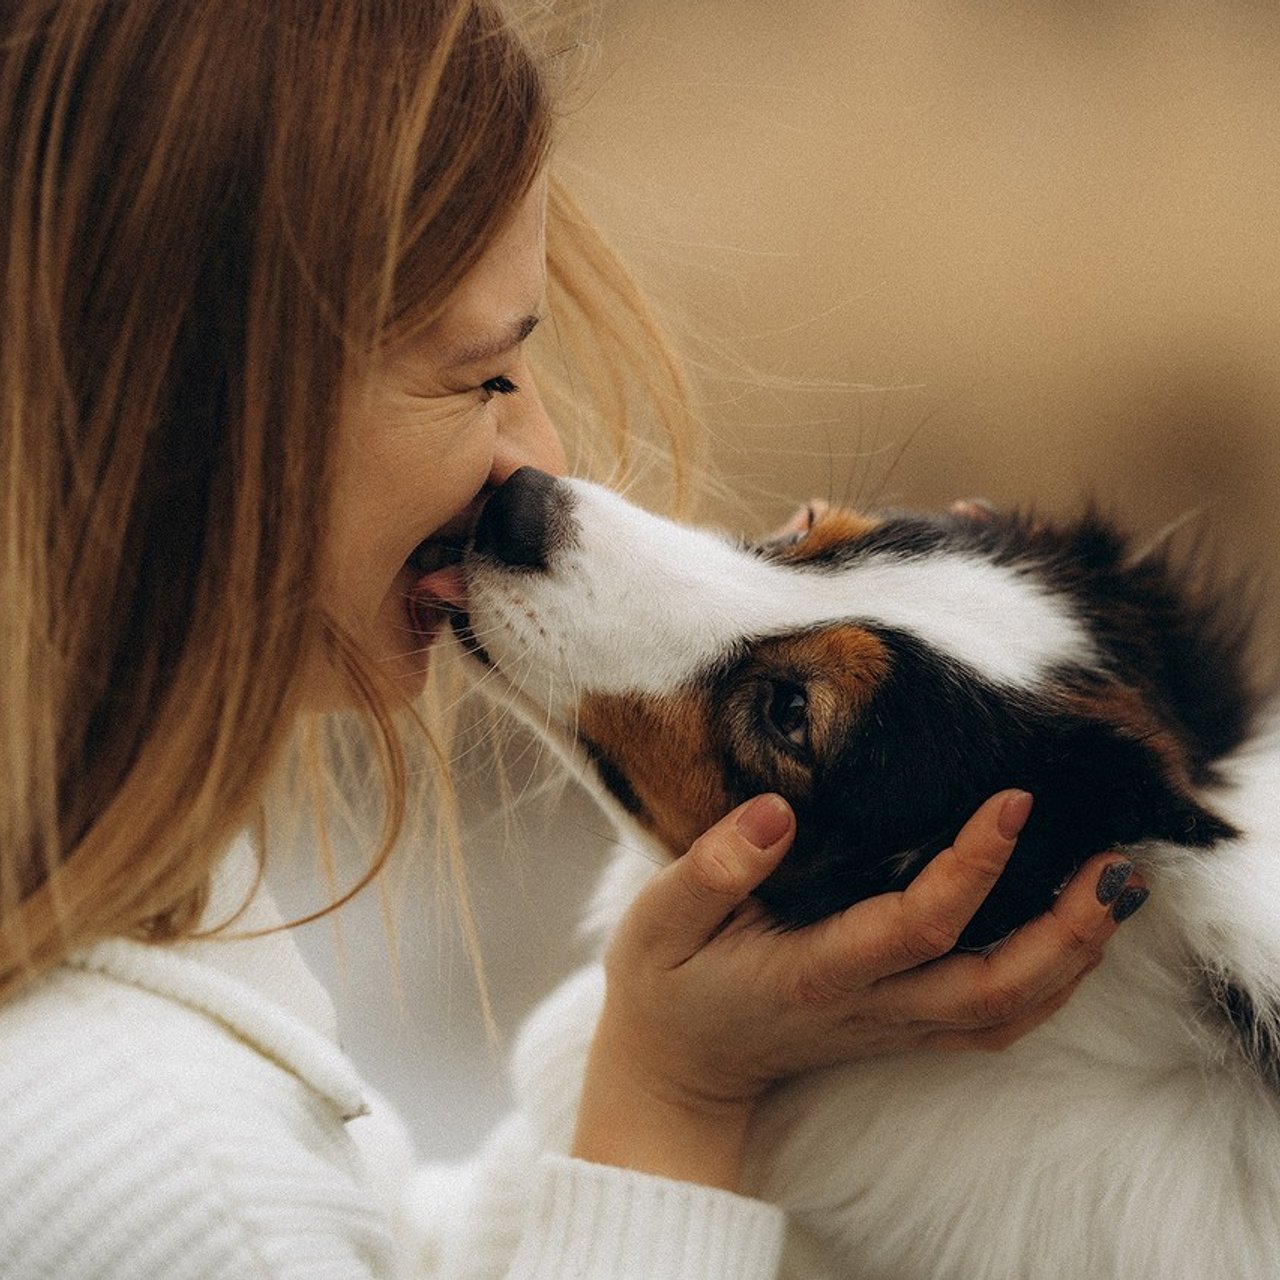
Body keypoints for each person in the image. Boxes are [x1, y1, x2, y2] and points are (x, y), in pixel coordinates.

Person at [0, 2, 1145, 1276]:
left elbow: (380, 1245)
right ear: (193, 415)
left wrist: (679, 1041)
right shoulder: (178, 1177)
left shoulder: (128, 908)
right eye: (481, 376)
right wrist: (674, 1104)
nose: (537, 459)